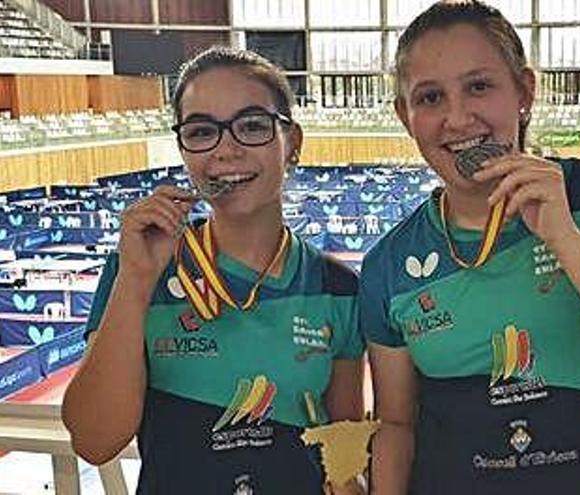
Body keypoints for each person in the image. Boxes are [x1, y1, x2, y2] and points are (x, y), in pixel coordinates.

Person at [359, 2, 580, 493]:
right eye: (430, 97)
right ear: (406, 116)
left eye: (479, 86)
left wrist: (565, 238)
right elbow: (398, 425)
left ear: (524, 92)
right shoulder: (389, 264)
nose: (457, 117)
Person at [62, 47, 365, 494]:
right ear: (184, 148)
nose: (226, 149)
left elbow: (342, 448)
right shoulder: (138, 269)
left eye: (253, 126)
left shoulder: (337, 288)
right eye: (202, 131)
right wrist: (135, 281)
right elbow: (94, 441)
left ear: (293, 142)